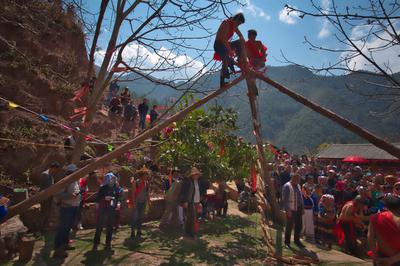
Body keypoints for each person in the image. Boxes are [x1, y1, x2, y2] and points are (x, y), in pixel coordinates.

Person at [53, 164, 81, 258]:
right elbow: (58, 194)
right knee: (63, 228)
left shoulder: (75, 180)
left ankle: (65, 244)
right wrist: (70, 196)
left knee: (68, 228)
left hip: (73, 207)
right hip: (66, 208)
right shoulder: (65, 181)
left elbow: (76, 190)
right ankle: (58, 249)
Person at [213, 13, 245, 87]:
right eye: (238, 23)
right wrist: (230, 51)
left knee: (240, 42)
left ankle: (239, 59)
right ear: (236, 20)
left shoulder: (234, 25)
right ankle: (223, 81)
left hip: (225, 45)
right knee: (225, 61)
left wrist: (243, 43)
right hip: (219, 45)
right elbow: (223, 39)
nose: (238, 25)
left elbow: (241, 36)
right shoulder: (226, 23)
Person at [368, 193, 400, 266]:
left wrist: (375, 257)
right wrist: (391, 260)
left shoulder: (375, 217)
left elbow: (370, 238)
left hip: (380, 258)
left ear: (385, 206)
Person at [92, 173, 122, 251]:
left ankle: (108, 243)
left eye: (114, 179)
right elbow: (98, 198)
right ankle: (96, 242)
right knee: (100, 226)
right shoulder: (103, 188)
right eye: (111, 179)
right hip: (103, 208)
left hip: (111, 209)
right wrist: (104, 198)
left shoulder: (116, 187)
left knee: (110, 226)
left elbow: (118, 197)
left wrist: (118, 202)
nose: (113, 180)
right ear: (107, 179)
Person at [282, 172, 305, 248]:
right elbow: (285, 199)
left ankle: (297, 241)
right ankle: (287, 242)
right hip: (291, 209)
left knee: (299, 225)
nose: (299, 181)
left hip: (298, 208)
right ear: (293, 178)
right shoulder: (287, 186)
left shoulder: (298, 185)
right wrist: (287, 210)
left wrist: (302, 208)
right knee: (289, 226)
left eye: (299, 179)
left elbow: (300, 197)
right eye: (297, 179)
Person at [179, 167, 202, 240]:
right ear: (193, 175)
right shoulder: (188, 181)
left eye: (198, 175)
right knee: (190, 217)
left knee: (191, 218)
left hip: (193, 201)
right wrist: (185, 201)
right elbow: (184, 192)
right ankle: (190, 233)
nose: (198, 176)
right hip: (189, 202)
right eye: (196, 175)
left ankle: (188, 232)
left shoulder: (195, 181)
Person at [40, 162, 62, 230]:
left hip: (49, 196)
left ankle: (44, 227)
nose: (57, 171)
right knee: (44, 213)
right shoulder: (45, 174)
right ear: (53, 168)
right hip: (45, 196)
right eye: (56, 169)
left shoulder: (51, 175)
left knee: (48, 212)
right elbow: (48, 187)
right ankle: (40, 228)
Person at [130, 167, 150, 240]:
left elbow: (147, 193)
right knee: (135, 217)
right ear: (142, 175)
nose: (147, 176)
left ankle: (139, 230)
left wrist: (148, 201)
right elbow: (133, 193)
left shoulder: (146, 183)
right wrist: (134, 202)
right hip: (137, 202)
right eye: (146, 175)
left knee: (141, 217)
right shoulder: (136, 182)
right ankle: (132, 231)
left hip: (143, 202)